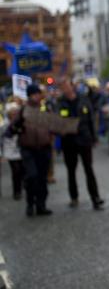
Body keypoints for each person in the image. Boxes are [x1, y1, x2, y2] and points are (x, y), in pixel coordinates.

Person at [7, 85, 55, 216]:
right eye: (34, 94)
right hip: (28, 149)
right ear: (29, 95)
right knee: (32, 176)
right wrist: (18, 128)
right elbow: (11, 129)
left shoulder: (45, 108)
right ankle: (30, 203)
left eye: (38, 94)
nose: (37, 96)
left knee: (42, 178)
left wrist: (51, 136)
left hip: (44, 148)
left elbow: (53, 126)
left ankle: (41, 205)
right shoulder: (23, 110)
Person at [57, 77, 104, 210]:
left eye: (66, 85)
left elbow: (90, 119)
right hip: (69, 141)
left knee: (89, 169)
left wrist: (94, 137)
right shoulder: (60, 102)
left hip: (84, 139)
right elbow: (57, 121)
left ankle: (96, 198)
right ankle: (74, 197)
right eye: (62, 87)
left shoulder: (83, 99)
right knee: (71, 171)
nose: (65, 88)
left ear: (72, 86)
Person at [1, 102, 24, 200]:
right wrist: (1, 154)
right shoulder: (4, 125)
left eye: (16, 112)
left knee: (22, 171)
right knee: (16, 171)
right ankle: (17, 192)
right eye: (12, 112)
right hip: (9, 151)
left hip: (21, 150)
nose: (14, 114)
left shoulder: (21, 123)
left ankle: (22, 185)